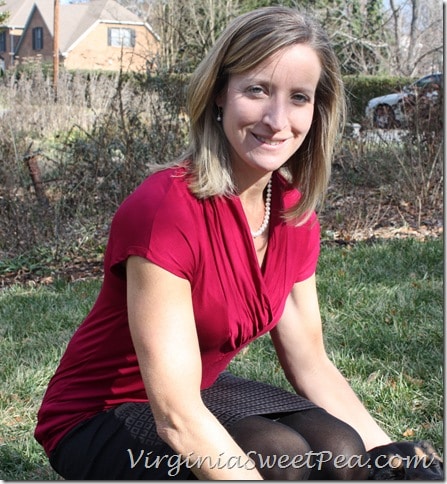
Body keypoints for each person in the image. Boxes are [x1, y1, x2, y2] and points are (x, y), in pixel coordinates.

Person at [34, 6, 443, 480]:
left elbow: (311, 363)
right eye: (257, 90)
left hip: (193, 389)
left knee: (343, 450)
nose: (277, 119)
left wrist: (389, 457)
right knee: (281, 457)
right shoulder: (165, 212)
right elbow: (177, 416)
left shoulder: (292, 213)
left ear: (318, 111)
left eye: (298, 98)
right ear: (219, 97)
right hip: (98, 415)